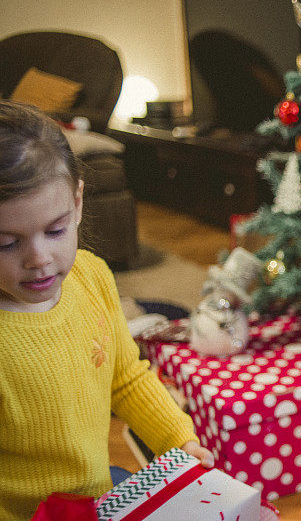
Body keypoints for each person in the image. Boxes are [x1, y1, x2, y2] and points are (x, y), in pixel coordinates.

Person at [0, 100, 214, 520]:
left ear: (78, 201)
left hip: (100, 497)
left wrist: (179, 440)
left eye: (56, 230)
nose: (39, 258)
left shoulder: (92, 276)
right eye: (7, 242)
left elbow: (126, 378)